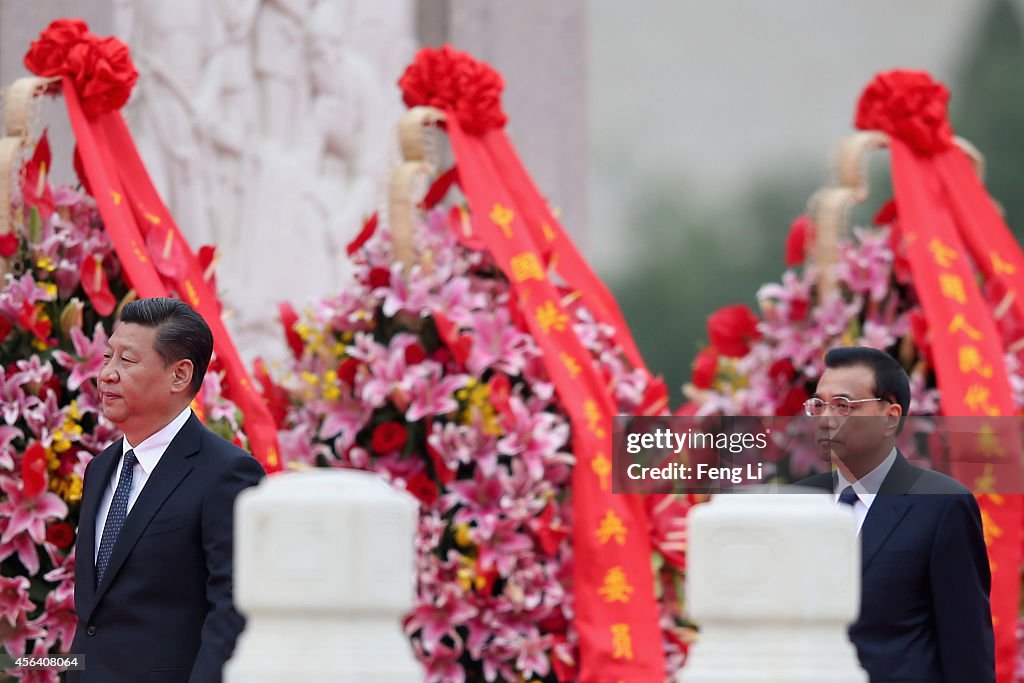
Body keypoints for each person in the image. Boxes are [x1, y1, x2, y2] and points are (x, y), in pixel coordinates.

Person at [69, 298, 266, 682]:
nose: (107, 373)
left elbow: (233, 611)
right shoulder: (100, 469)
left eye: (126, 361)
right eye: (107, 357)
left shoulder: (227, 474)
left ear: (179, 376)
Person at [798, 346, 994, 682]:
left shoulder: (941, 506)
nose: (825, 418)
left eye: (843, 405)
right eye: (818, 404)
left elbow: (967, 651)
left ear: (890, 417)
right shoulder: (797, 503)